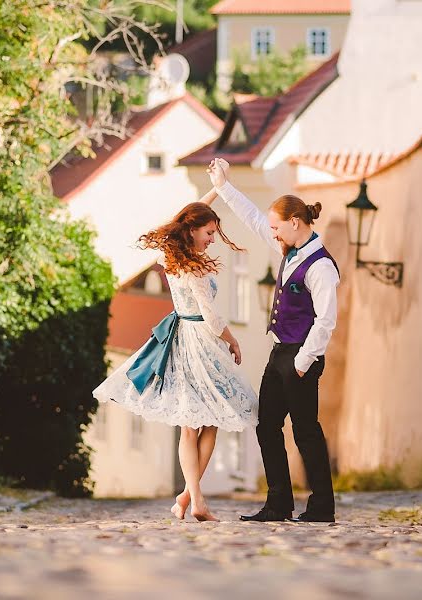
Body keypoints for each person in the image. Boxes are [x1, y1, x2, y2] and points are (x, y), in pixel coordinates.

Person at [93, 191, 258, 522]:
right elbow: (211, 318)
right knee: (208, 420)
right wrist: (233, 340)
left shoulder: (170, 257)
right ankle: (196, 499)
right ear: (194, 230)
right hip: (200, 342)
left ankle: (187, 496)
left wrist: (216, 187)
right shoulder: (194, 269)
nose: (213, 239)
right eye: (209, 233)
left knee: (195, 423)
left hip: (181, 339)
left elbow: (188, 213)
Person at [207, 158, 339, 523]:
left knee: (305, 431)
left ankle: (322, 506)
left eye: (277, 227)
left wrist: (301, 362)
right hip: (279, 351)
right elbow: (252, 218)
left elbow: (326, 321)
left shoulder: (321, 266)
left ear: (295, 222)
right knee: (267, 425)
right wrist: (223, 187)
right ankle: (279, 503)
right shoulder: (288, 248)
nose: (273, 233)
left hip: (301, 357)